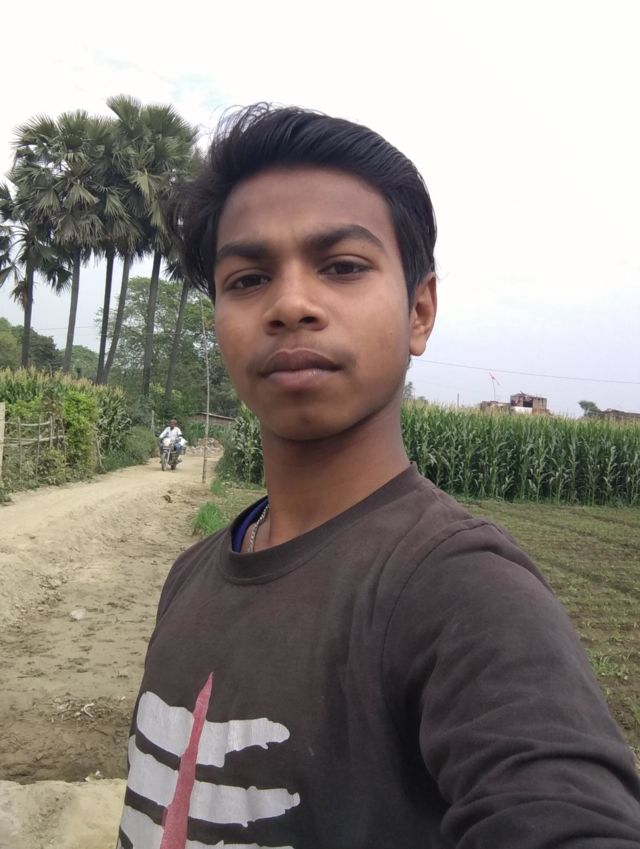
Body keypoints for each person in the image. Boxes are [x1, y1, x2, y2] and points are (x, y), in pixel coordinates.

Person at [116, 105, 640, 849]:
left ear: (419, 311)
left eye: (342, 267)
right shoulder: (190, 576)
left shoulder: (463, 592)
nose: (290, 305)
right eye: (248, 278)